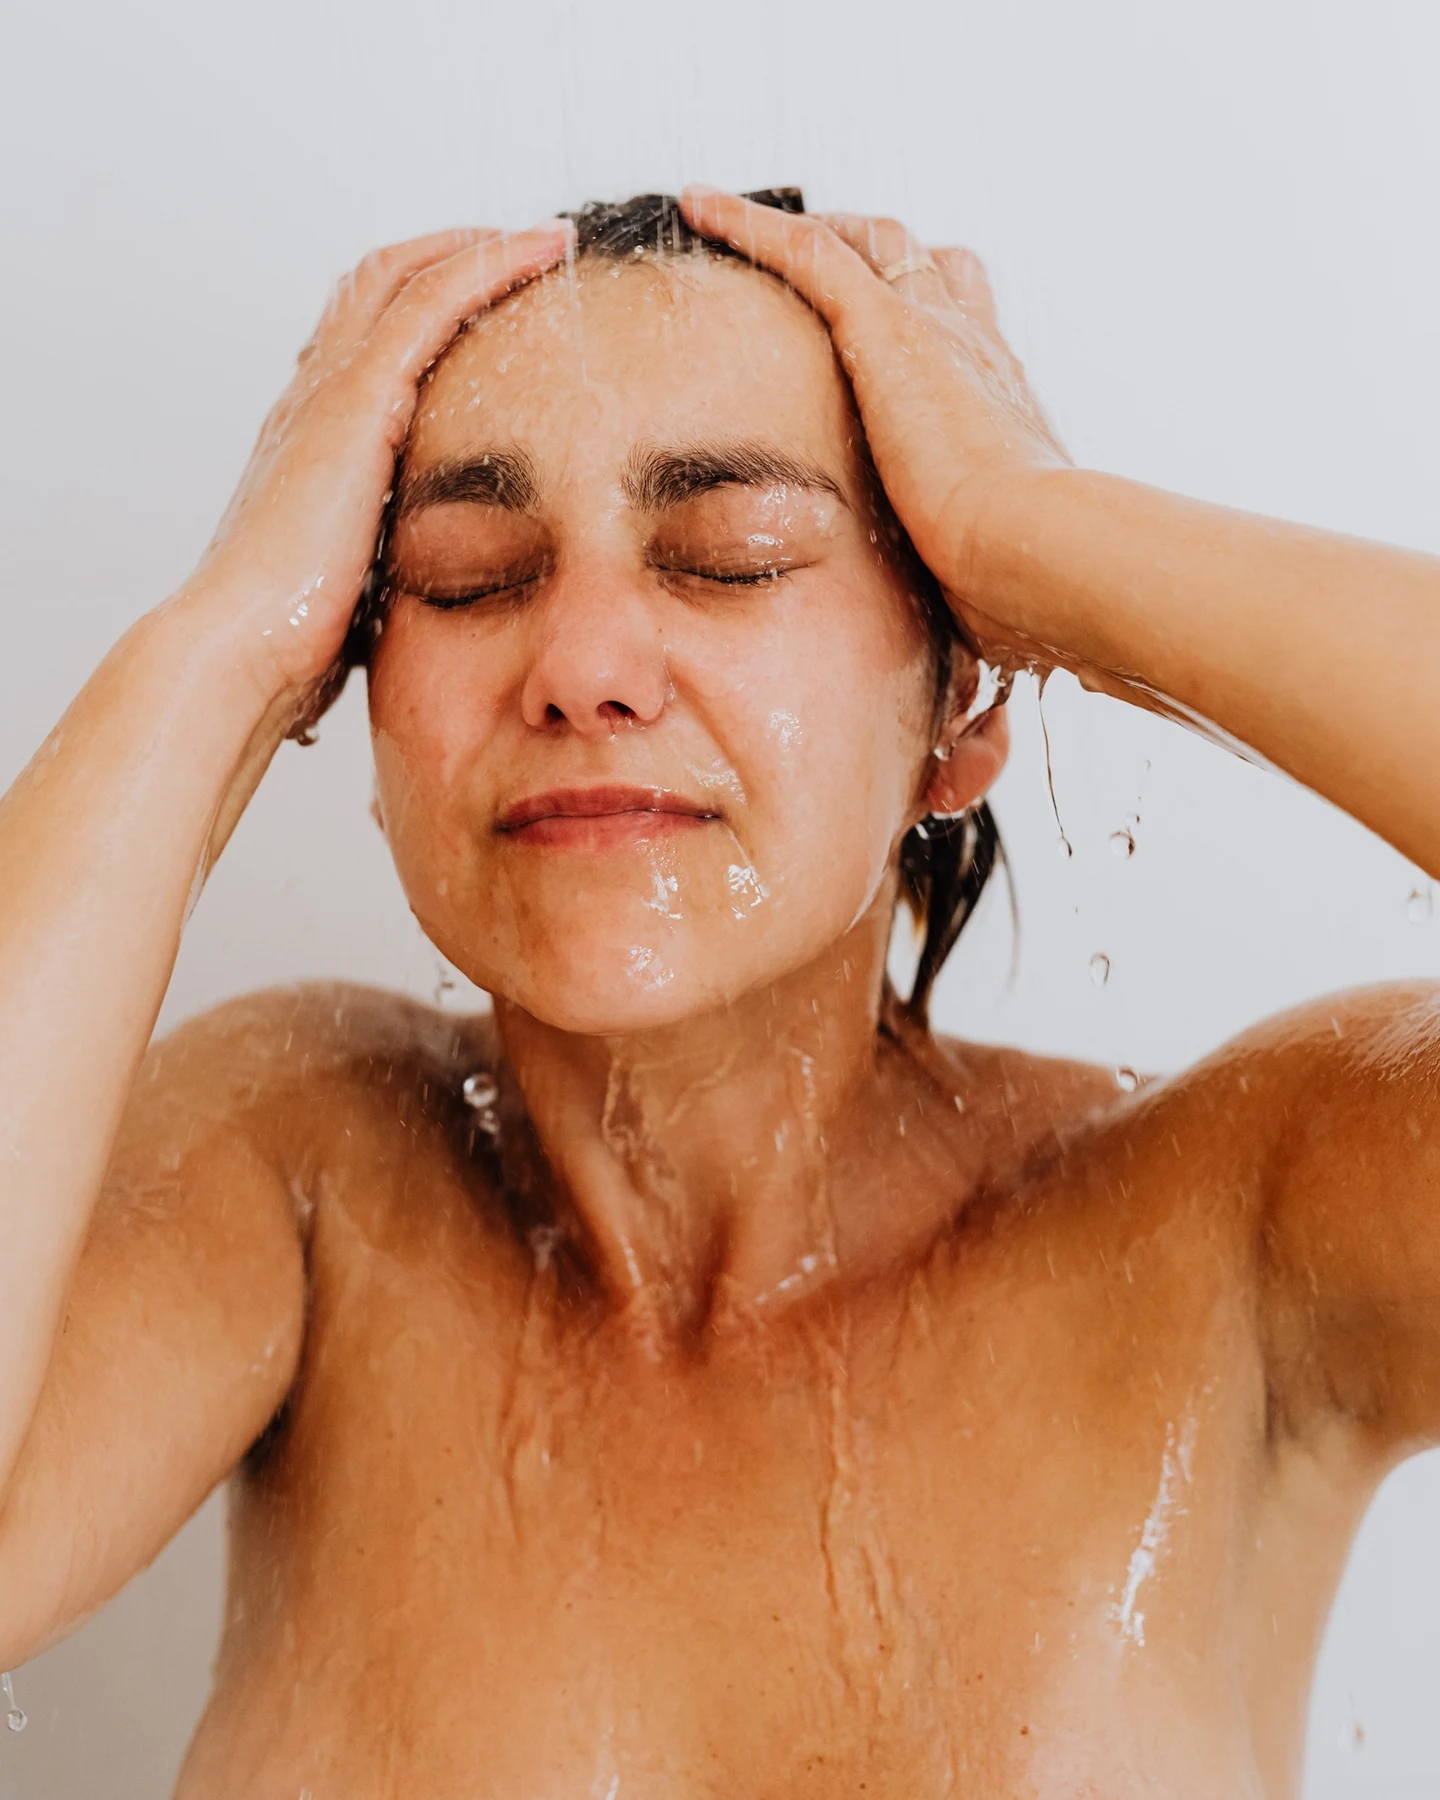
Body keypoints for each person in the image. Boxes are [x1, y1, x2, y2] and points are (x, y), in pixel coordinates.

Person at [0, 183, 1437, 1799]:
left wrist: (1048, 536)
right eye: (467, 577)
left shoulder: (1246, 1225)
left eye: (732, 558)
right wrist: (219, 647)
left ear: (958, 709)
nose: (582, 661)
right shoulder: (305, 1174)